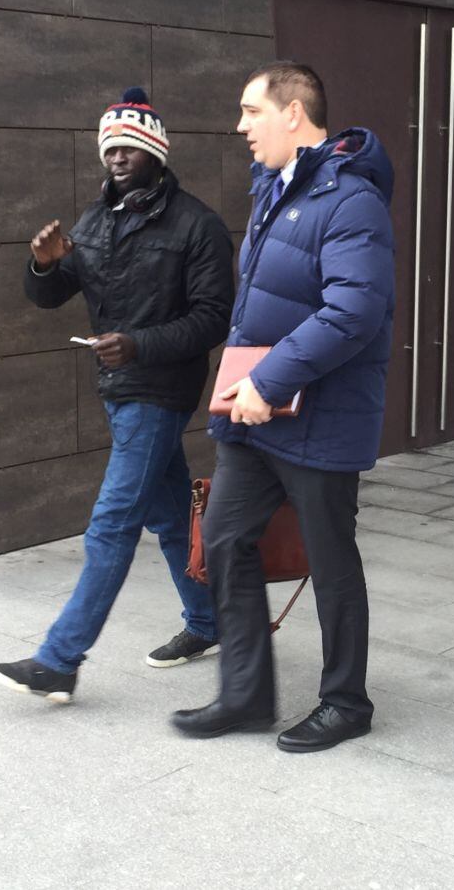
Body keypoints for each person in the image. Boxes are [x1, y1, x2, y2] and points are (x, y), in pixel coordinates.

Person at [0, 86, 234, 701]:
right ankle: (210, 622)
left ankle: (59, 660)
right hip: (119, 390)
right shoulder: (95, 220)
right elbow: (51, 295)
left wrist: (139, 345)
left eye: (130, 146)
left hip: (160, 390)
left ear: (156, 152)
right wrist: (44, 266)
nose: (117, 156)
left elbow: (214, 318)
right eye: (109, 147)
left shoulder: (196, 224)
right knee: (170, 517)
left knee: (112, 524)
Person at [171, 62, 395, 752]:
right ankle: (245, 695)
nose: (240, 125)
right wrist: (253, 388)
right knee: (226, 540)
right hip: (256, 417)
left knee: (330, 559)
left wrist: (267, 381)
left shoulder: (351, 200)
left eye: (251, 110)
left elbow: (354, 310)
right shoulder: (276, 189)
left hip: (319, 417)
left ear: (293, 113)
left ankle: (346, 702)